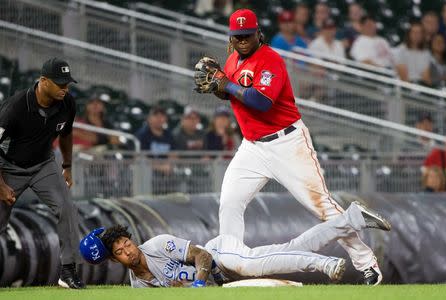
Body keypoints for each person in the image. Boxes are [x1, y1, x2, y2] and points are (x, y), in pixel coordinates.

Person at [193, 9, 389, 285]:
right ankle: (232, 261)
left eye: (247, 35)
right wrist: (217, 87)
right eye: (237, 36)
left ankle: (368, 265)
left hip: (287, 143)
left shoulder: (270, 59)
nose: (242, 41)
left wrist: (227, 83)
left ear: (257, 33)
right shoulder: (233, 59)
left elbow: (261, 102)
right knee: (229, 202)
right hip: (252, 148)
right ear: (231, 38)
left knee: (322, 207)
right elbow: (232, 94)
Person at [79, 201, 391, 287]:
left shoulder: (157, 245)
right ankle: (351, 217)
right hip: (222, 280)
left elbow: (200, 255)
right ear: (114, 260)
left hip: (218, 254)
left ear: (131, 239)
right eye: (118, 251)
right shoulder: (141, 287)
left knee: (252, 264)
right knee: (291, 248)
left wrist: (199, 283)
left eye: (125, 243)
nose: (127, 251)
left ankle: (323, 264)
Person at [0, 58, 84, 289]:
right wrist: (1, 185)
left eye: (67, 83)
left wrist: (67, 166)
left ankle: (68, 272)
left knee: (67, 208)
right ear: (43, 81)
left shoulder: (68, 103)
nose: (65, 88)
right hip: (7, 166)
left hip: (43, 165)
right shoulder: (15, 106)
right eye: (59, 83)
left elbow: (66, 134)